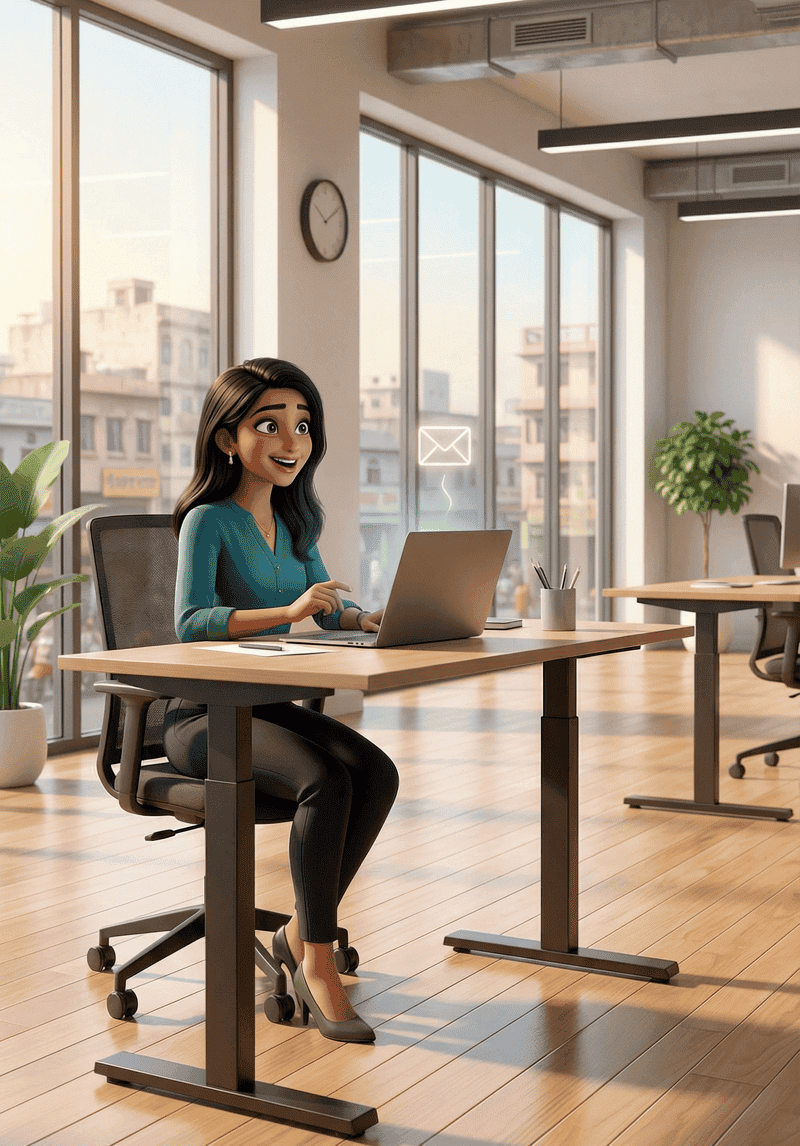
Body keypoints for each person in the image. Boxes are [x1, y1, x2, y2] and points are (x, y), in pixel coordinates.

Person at [170, 357, 399, 1044]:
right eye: (269, 424)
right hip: (201, 717)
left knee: (377, 774)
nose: (291, 440)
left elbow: (325, 607)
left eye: (302, 425)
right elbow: (190, 621)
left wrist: (362, 618)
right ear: (226, 438)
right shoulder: (206, 521)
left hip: (265, 707)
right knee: (326, 781)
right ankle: (317, 965)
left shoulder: (298, 520)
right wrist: (287, 609)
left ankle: (301, 930)